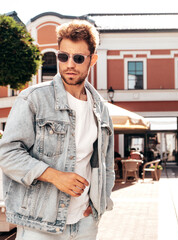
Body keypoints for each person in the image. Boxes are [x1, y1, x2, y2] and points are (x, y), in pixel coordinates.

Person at [0, 20, 115, 239]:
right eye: (63, 56)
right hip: (39, 224)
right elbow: (7, 154)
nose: (70, 64)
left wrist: (97, 206)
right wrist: (54, 176)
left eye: (79, 58)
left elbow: (106, 165)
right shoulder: (33, 99)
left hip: (84, 223)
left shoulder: (100, 109)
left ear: (93, 60)